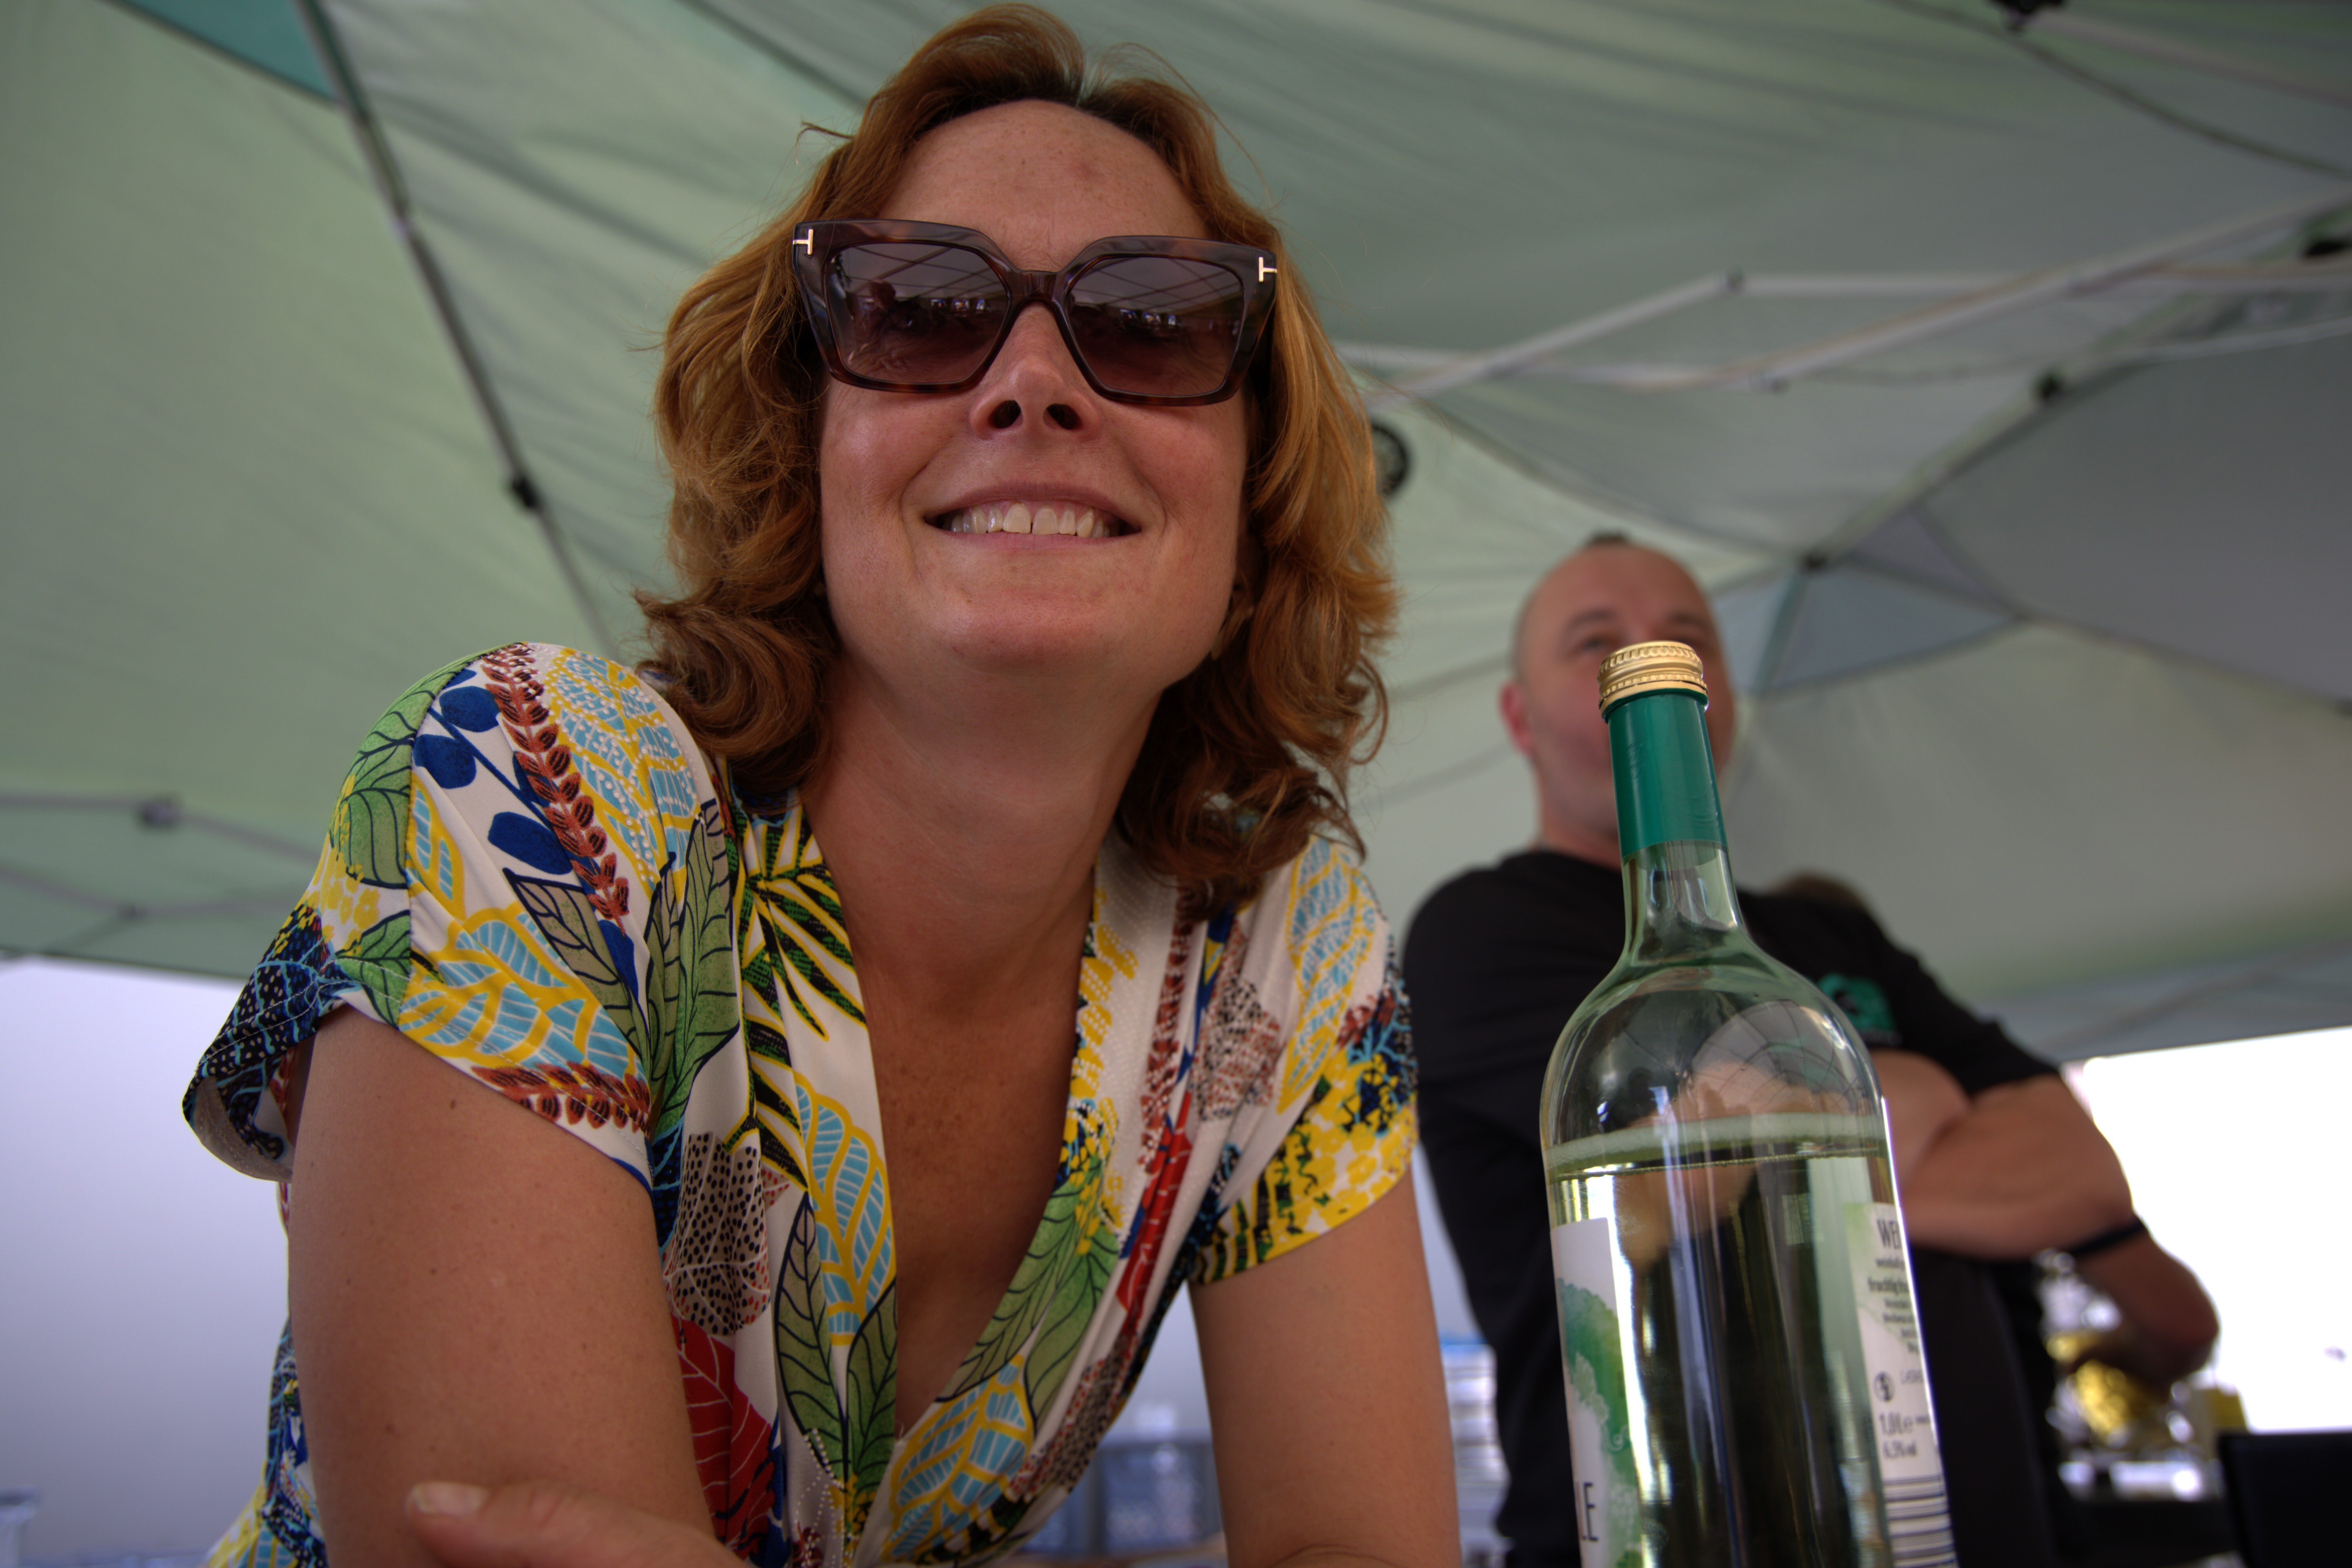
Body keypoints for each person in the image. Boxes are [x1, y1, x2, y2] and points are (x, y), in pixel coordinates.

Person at [181, 10, 1455, 1566]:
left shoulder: (1284, 944)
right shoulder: (528, 787)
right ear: (810, 452)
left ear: (1252, 490)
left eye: (1151, 323)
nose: (1035, 383)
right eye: (920, 310)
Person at [1403, 537, 2217, 1568]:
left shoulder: (1833, 934)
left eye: (1687, 637)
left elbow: (2080, 1169)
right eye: (1594, 641)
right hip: (1681, 1537)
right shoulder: (1485, 930)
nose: (1646, 649)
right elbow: (1680, 1181)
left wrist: (1779, 1164)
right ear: (1522, 718)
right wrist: (1894, 1119)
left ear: (1719, 697)